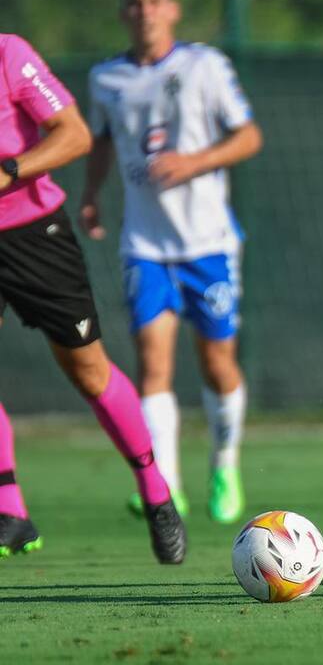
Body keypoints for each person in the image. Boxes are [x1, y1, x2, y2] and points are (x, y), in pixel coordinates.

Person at [81, 0, 263, 524]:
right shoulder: (107, 79)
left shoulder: (205, 66)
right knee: (152, 364)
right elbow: (102, 141)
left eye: (155, 1)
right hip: (145, 245)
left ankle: (225, 463)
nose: (145, 11)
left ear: (173, 10)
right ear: (123, 14)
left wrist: (195, 161)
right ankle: (167, 487)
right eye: (135, 3)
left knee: (216, 361)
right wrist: (90, 195)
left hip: (208, 242)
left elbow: (248, 136)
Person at [0, 32, 186, 564]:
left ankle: (155, 490)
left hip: (33, 233)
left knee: (89, 373)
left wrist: (8, 170)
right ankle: (10, 511)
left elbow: (75, 135)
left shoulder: (8, 54)